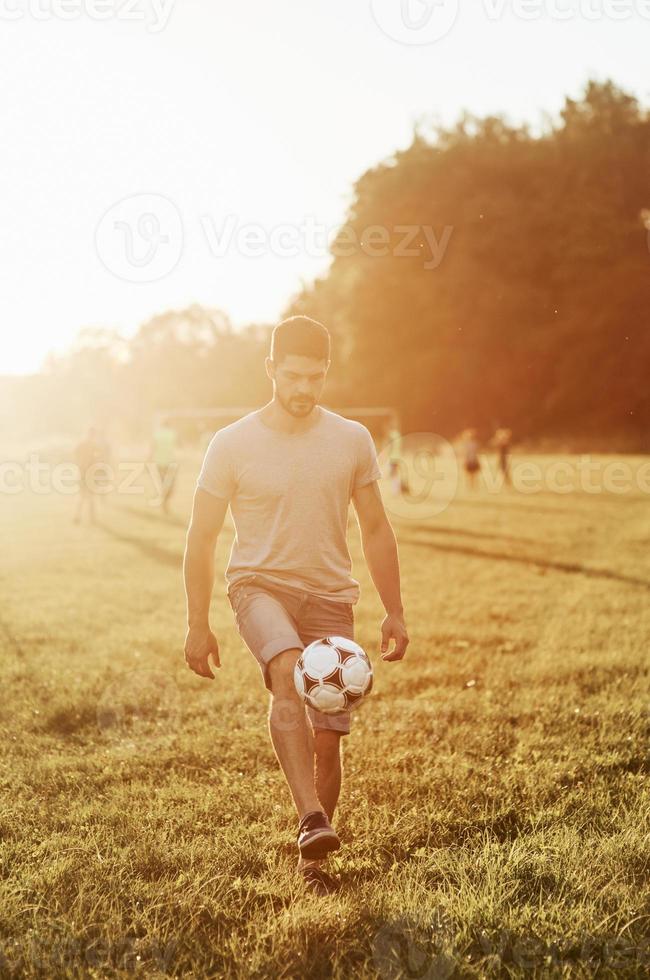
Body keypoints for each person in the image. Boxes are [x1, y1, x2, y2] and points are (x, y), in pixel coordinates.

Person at [183, 316, 409, 896]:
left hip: (332, 597)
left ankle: (315, 853)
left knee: (328, 737)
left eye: (314, 377)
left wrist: (394, 609)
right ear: (270, 370)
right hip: (258, 586)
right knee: (287, 670)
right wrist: (196, 622)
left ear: (326, 372)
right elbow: (202, 535)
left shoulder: (352, 439)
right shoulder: (231, 443)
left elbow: (377, 528)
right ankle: (311, 818)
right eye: (292, 376)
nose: (304, 388)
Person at [73, 427, 101, 524]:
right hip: (85, 473)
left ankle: (85, 517)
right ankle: (82, 517)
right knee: (86, 496)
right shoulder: (86, 444)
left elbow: (97, 457)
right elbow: (76, 455)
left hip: (88, 472)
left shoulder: (87, 444)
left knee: (86, 496)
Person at [151, 421, 178, 513]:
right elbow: (179, 446)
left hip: (159, 462)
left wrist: (148, 458)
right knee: (170, 484)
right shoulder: (172, 434)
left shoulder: (157, 434)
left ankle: (163, 501)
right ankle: (165, 502)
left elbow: (153, 447)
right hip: (170, 462)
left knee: (161, 484)